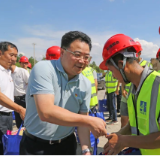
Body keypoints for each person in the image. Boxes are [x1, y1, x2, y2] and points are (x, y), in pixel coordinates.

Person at [19, 31, 107, 156]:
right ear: (62, 52)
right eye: (77, 54)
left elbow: (82, 124)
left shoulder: (85, 84)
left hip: (66, 145)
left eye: (86, 57)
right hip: (35, 146)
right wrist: (89, 120)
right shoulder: (44, 69)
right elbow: (46, 112)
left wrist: (86, 149)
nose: (82, 61)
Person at [99, 34, 160, 156]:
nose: (114, 77)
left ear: (121, 64)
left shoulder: (157, 86)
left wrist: (122, 141)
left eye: (111, 71)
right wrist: (118, 135)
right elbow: (134, 123)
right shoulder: (133, 88)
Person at [0, 42, 26, 156]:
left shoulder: (7, 72)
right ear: (0, 53)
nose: (14, 58)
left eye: (15, 56)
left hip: (8, 115)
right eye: (11, 55)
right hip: (1, 115)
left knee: (6, 146)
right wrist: (19, 109)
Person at [120, 41, 153, 128]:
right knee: (124, 119)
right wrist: (122, 88)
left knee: (139, 120)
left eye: (136, 53)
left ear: (140, 53)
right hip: (127, 94)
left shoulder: (146, 65)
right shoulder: (126, 63)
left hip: (141, 96)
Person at [11, 55, 29, 128]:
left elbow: (30, 84)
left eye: (26, 63)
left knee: (26, 120)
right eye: (23, 63)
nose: (24, 64)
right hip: (15, 100)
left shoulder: (23, 72)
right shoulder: (8, 73)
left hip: (23, 99)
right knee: (18, 122)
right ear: (20, 63)